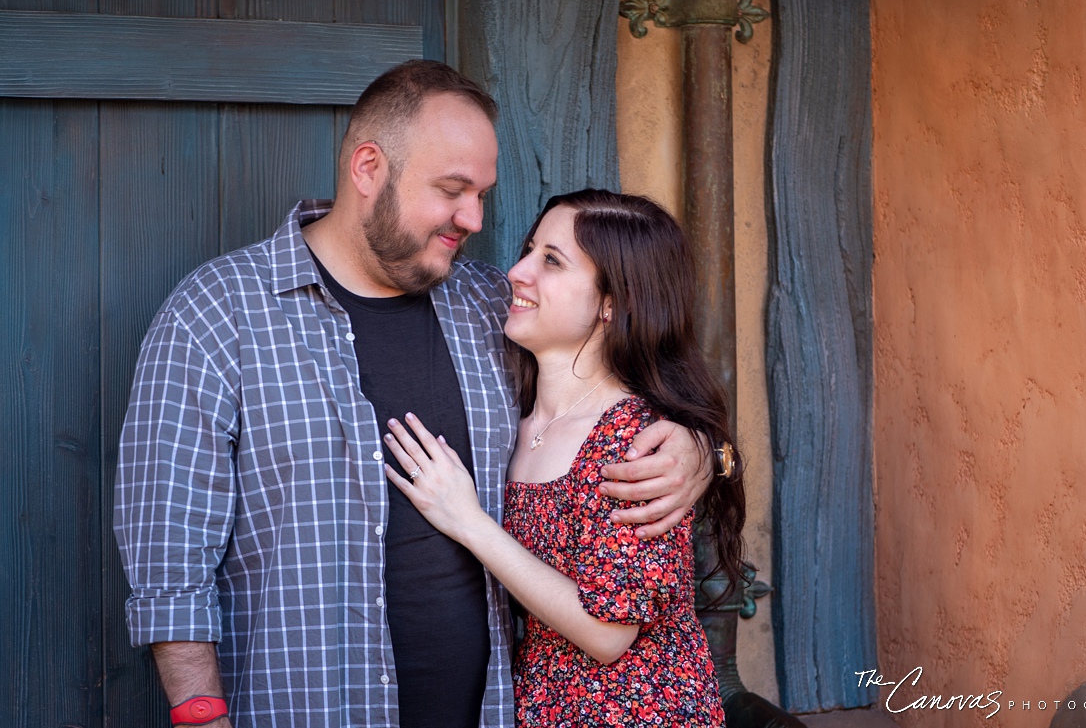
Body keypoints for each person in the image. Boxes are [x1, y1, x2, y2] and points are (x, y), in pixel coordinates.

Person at [113, 62, 712, 728]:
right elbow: (168, 562)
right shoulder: (216, 314)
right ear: (369, 168)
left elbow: (619, 379)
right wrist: (202, 715)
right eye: (453, 190)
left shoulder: (493, 306)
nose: (475, 218)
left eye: (482, 194)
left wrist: (702, 447)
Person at [382, 190, 745, 726]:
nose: (517, 271)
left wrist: (467, 521)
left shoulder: (634, 440)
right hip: (545, 705)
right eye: (530, 249)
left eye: (551, 261)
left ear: (612, 303)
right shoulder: (513, 412)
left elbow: (608, 632)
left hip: (639, 712)